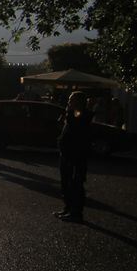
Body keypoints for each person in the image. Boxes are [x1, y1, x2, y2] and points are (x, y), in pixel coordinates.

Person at [55, 91, 93, 222]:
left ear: (78, 102)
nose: (69, 102)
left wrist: (69, 112)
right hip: (67, 154)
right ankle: (68, 208)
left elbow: (76, 125)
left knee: (75, 184)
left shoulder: (81, 113)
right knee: (65, 182)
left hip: (76, 155)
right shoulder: (73, 113)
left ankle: (76, 212)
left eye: (71, 100)